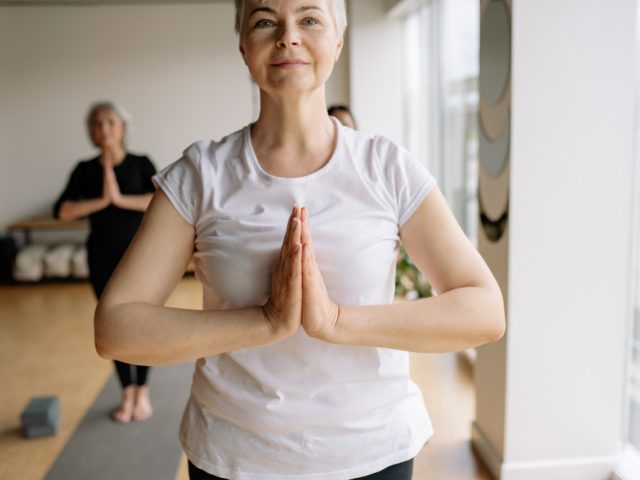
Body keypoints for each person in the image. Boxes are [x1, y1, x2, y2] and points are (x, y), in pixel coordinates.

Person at [94, 1, 505, 478]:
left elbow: (484, 310)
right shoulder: (200, 175)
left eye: (309, 19)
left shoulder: (387, 168)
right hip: (234, 457)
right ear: (244, 47)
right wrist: (266, 322)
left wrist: (333, 321)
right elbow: (115, 328)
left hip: (372, 453)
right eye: (265, 21)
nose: (288, 36)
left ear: (337, 41)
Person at [54, 101, 157, 424]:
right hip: (101, 256)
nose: (104, 129)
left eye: (111, 122)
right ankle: (126, 392)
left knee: (142, 324)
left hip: (139, 256)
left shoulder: (140, 164)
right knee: (113, 326)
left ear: (123, 128)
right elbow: (63, 210)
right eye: (97, 124)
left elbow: (161, 201)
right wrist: (102, 200)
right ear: (91, 132)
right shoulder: (84, 170)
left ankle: (143, 390)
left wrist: (120, 199)